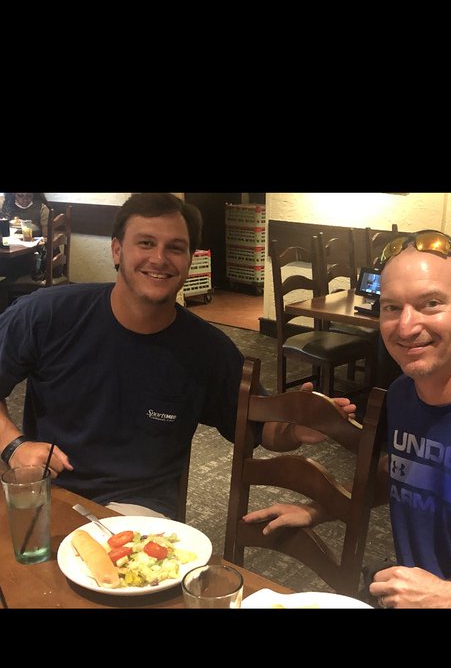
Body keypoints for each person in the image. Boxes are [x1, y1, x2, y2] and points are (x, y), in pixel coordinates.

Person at [243, 229, 451, 607]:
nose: (406, 327)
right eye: (391, 307)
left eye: (430, 304)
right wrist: (320, 509)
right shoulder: (405, 394)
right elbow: (408, 471)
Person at [0, 193, 354, 519]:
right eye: (146, 243)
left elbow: (259, 428)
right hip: (48, 494)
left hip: (138, 513)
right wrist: (13, 445)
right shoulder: (46, 315)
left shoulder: (207, 350)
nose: (159, 258)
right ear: (117, 250)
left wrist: (296, 426)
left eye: (175, 248)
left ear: (189, 259)